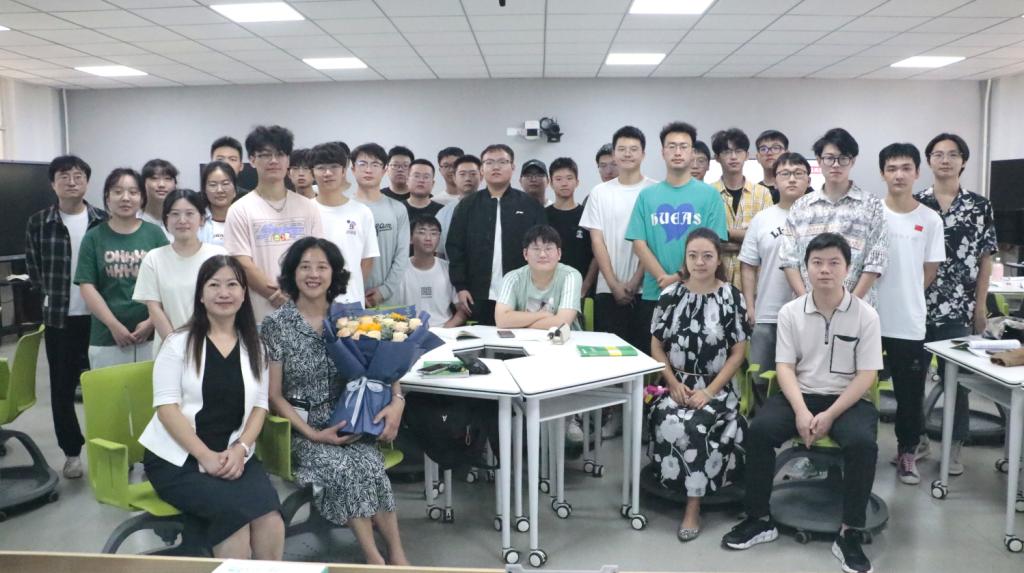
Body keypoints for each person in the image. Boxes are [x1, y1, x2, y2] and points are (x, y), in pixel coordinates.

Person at [722, 233, 882, 573]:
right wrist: (801, 411)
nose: (825, 270)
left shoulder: (866, 315)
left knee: (863, 443)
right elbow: (785, 367)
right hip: (801, 393)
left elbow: (867, 375)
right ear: (806, 267)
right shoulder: (791, 312)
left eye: (834, 263)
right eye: (817, 262)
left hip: (847, 399)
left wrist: (830, 414)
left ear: (848, 268)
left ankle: (850, 532)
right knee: (759, 431)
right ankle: (758, 519)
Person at [262, 237, 408, 566]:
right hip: (302, 433)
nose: (313, 274)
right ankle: (374, 559)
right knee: (344, 469)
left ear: (334, 274)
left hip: (351, 422)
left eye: (322, 267)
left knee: (370, 465)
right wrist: (314, 434)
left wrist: (397, 400)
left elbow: (385, 364)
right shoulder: (276, 325)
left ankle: (397, 554)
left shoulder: (350, 318)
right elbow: (274, 395)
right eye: (305, 267)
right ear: (292, 273)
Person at [139, 255, 284, 560]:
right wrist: (205, 456)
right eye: (214, 285)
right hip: (178, 459)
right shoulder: (178, 343)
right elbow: (166, 409)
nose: (224, 293)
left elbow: (260, 407)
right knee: (234, 521)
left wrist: (241, 448)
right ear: (201, 296)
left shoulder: (255, 346)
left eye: (232, 285)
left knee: (270, 519)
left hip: (234, 454)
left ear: (243, 294)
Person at [648, 227, 749, 542]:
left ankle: (693, 505)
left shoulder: (732, 297)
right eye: (693, 256)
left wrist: (709, 391)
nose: (700, 262)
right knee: (664, 414)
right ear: (685, 259)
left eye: (707, 256)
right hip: (676, 383)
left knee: (698, 424)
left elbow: (738, 353)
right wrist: (672, 383)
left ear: (718, 259)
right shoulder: (670, 295)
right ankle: (670, 481)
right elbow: (656, 345)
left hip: (717, 388)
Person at [916, 132, 997, 475]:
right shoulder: (916, 203)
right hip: (916, 306)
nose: (945, 160)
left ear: (963, 161)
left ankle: (954, 445)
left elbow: (986, 259)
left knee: (958, 381)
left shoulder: (979, 206)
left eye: (952, 154)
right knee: (912, 377)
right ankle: (916, 440)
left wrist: (980, 307)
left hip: (959, 308)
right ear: (929, 161)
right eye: (938, 154)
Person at [26, 155, 108, 479]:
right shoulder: (39, 222)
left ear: (87, 181)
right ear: (53, 183)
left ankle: (111, 448)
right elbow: (34, 269)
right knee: (62, 389)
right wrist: (52, 296)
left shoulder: (103, 220)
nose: (72, 182)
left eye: (78, 176)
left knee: (103, 386)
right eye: (64, 176)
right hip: (61, 319)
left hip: (100, 318)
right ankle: (72, 453)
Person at [875, 143, 945, 485]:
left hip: (909, 322)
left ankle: (907, 452)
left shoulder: (930, 219)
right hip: (869, 321)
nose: (899, 175)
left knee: (909, 394)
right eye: (891, 168)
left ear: (917, 172)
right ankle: (851, 451)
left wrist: (906, 292)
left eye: (905, 168)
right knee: (854, 387)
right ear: (882, 174)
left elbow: (929, 271)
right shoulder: (871, 214)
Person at [625, 121, 727, 350]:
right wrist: (663, 277)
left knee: (696, 358)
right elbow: (639, 243)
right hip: (655, 293)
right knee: (654, 362)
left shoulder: (709, 195)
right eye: (671, 146)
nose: (678, 152)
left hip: (700, 292)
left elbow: (713, 245)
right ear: (663, 152)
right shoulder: (647, 196)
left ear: (692, 152)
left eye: (683, 146)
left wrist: (678, 276)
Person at [779, 127, 888, 308]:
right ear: (819, 161)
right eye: (829, 158)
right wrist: (808, 303)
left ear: (852, 161)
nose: (836, 165)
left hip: (857, 309)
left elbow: (875, 261)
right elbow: (788, 260)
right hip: (806, 310)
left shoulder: (871, 205)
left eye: (843, 158)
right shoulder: (801, 206)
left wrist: (849, 305)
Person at [224, 125, 323, 323]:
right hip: (259, 315)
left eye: (280, 154)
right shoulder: (240, 210)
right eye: (265, 155)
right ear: (252, 159)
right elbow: (241, 262)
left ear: (288, 159)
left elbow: (317, 257)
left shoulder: (308, 208)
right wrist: (274, 295)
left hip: (305, 310)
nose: (274, 160)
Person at [74, 168, 168, 368]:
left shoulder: (155, 234)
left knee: (151, 388)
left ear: (142, 198)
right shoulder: (93, 237)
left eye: (133, 192)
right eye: (118, 192)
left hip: (153, 334)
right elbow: (87, 286)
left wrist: (151, 322)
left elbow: (167, 283)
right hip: (106, 337)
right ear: (107, 198)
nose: (126, 198)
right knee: (110, 389)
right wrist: (114, 325)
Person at [446, 144, 546, 326]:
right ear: (482, 169)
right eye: (489, 162)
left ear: (513, 167)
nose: (496, 167)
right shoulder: (467, 205)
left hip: (521, 292)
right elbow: (455, 248)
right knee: (482, 339)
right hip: (478, 293)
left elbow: (541, 248)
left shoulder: (530, 205)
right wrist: (461, 287)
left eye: (502, 162)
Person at [581, 125, 658, 351]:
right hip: (607, 290)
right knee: (611, 358)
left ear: (643, 154)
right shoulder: (599, 192)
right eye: (622, 149)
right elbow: (597, 242)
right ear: (614, 154)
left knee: (645, 355)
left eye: (633, 149)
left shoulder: (655, 191)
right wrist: (613, 284)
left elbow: (653, 242)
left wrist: (635, 281)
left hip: (647, 290)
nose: (627, 154)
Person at [133, 189, 228, 355]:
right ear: (166, 219)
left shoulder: (218, 256)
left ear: (202, 219)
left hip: (214, 347)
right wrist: (176, 346)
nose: (182, 220)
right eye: (175, 214)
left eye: (190, 214)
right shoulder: (154, 259)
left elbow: (226, 303)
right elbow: (154, 308)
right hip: (169, 350)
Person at [739, 152, 806, 376]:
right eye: (785, 174)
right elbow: (748, 265)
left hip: (809, 314)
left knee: (804, 379)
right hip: (767, 313)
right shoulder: (762, 219)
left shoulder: (818, 218)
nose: (792, 179)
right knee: (761, 379)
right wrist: (750, 305)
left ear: (808, 180)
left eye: (798, 173)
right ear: (774, 181)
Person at [310, 142, 380, 308]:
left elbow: (367, 260)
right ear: (312, 172)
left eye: (334, 167)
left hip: (351, 301)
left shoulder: (362, 212)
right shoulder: (304, 211)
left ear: (343, 171)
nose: (328, 173)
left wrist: (349, 287)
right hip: (311, 304)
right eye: (321, 167)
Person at [711, 128, 773, 287]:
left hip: (754, 281)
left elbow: (765, 239)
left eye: (738, 151)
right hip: (716, 280)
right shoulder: (708, 193)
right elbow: (707, 239)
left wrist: (726, 234)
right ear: (717, 158)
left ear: (746, 155)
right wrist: (746, 240)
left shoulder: (762, 193)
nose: (733, 157)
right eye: (727, 152)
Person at [350, 143, 410, 308]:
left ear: (384, 170)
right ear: (353, 169)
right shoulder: (344, 208)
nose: (368, 170)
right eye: (363, 164)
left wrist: (384, 291)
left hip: (388, 301)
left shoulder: (397, 208)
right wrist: (353, 291)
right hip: (350, 299)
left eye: (375, 164)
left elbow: (402, 256)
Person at [495, 224, 582, 330]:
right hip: (522, 339)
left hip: (564, 339)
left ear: (559, 253)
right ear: (525, 254)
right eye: (536, 249)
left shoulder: (570, 276)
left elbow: (562, 323)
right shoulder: (512, 278)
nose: (542, 255)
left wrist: (519, 323)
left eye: (548, 249)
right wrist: (543, 315)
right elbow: (501, 319)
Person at [399, 216, 467, 327]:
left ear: (439, 238)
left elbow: (463, 310)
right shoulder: (399, 270)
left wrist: (446, 329)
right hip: (409, 331)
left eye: (434, 233)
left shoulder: (449, 269)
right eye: (422, 232)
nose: (428, 238)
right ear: (410, 238)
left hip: (444, 330)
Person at [545, 157, 597, 297]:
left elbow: (596, 255)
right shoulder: (542, 216)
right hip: (547, 290)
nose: (564, 183)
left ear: (577, 182)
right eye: (558, 179)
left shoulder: (587, 215)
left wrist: (585, 287)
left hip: (581, 291)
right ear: (551, 183)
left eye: (569, 178)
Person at [436, 154, 481, 259]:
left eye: (473, 174)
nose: (468, 178)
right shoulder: (444, 213)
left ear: (481, 176)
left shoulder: (492, 207)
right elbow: (440, 252)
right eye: (462, 174)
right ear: (454, 178)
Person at [198, 161, 238, 246]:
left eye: (225, 184)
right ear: (204, 190)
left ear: (235, 189)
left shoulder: (244, 219)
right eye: (213, 185)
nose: (220, 190)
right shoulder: (197, 221)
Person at [139, 158, 178, 240]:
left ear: (175, 184)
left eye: (167, 178)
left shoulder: (181, 221)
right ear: (143, 183)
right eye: (154, 178)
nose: (161, 184)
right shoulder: (134, 219)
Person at [754, 130, 789, 204]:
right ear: (757, 157)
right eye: (763, 149)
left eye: (776, 148)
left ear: (787, 154)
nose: (769, 153)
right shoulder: (754, 192)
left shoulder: (799, 187)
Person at [404, 159, 444, 224]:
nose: (421, 180)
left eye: (426, 177)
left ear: (433, 183)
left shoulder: (442, 211)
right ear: (407, 180)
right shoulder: (396, 209)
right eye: (416, 176)